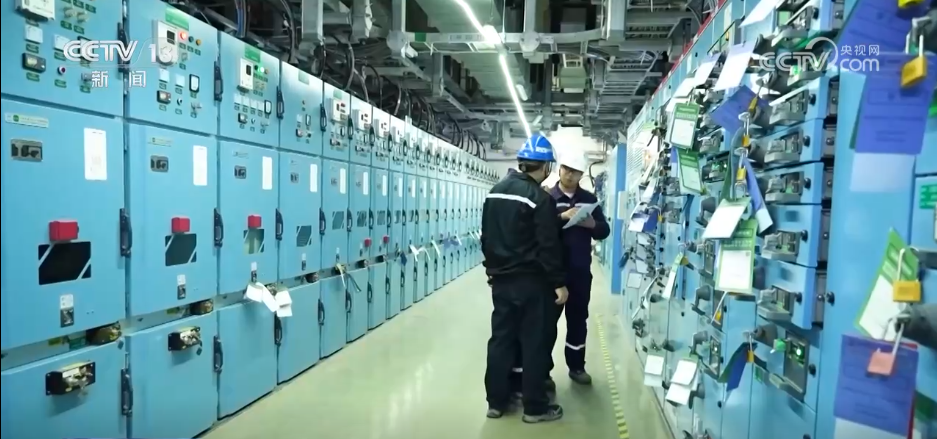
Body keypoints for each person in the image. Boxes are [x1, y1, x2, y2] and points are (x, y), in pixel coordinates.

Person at [481, 133, 569, 424]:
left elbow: (486, 237)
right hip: (532, 283)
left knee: (501, 340)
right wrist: (558, 283)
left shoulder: (495, 192)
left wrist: (492, 271)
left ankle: (496, 402)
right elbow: (547, 246)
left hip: (501, 281)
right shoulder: (539, 198)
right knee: (534, 343)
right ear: (545, 167)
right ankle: (534, 408)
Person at [548, 152, 611, 385]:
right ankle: (543, 372)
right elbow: (538, 230)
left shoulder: (589, 199)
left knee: (578, 320)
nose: (570, 175)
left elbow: (604, 231)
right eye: (567, 169)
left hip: (580, 271)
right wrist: (561, 217)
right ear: (560, 169)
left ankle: (576, 367)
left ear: (582, 175)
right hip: (553, 272)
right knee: (547, 323)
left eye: (575, 172)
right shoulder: (548, 198)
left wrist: (593, 224)